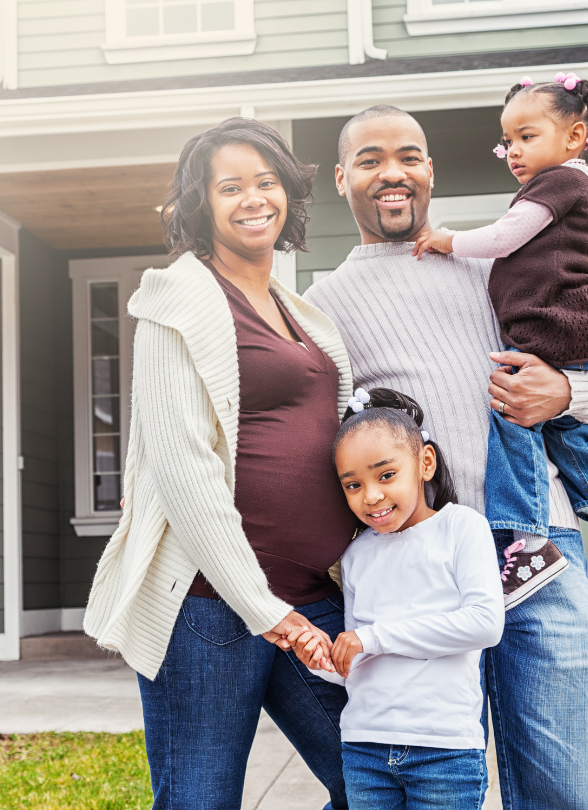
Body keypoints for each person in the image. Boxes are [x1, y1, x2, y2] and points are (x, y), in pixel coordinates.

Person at [303, 102, 588, 809]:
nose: (392, 173)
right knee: (432, 787)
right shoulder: (322, 305)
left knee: (562, 789)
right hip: (418, 570)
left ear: (430, 170)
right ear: (341, 179)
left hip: (538, 548)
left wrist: (563, 391)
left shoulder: (497, 258)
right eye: (369, 160)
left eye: (408, 156)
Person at [84, 118, 358, 810]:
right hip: (210, 608)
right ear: (200, 204)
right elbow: (185, 473)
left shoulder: (298, 310)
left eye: (266, 183)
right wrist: (264, 609)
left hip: (311, 599)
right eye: (230, 186)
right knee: (200, 801)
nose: (252, 199)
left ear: (289, 196)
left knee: (381, 784)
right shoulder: (177, 300)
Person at [413, 73, 588, 608]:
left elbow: (505, 237)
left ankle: (531, 543)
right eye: (507, 140)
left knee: (513, 417)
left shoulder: (561, 182)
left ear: (574, 137)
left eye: (527, 136)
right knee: (567, 436)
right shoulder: (568, 184)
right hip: (569, 330)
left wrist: (447, 241)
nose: (512, 150)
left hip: (557, 328)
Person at [291, 387, 505, 810]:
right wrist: (324, 661)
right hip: (364, 749)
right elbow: (359, 662)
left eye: (385, 475)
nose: (370, 496)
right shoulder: (355, 555)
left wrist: (373, 638)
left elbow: (485, 623)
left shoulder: (462, 528)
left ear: (425, 463)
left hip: (443, 751)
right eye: (353, 485)